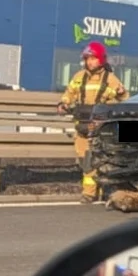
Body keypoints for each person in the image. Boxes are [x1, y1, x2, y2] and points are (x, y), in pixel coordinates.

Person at [57, 41, 129, 203]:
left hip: (101, 128)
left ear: (101, 59)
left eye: (93, 58)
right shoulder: (78, 77)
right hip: (81, 125)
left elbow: (124, 98)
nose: (90, 62)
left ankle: (92, 193)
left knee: (98, 159)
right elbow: (69, 94)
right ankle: (93, 190)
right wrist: (63, 104)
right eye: (87, 59)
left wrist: (121, 92)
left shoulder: (110, 79)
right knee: (85, 159)